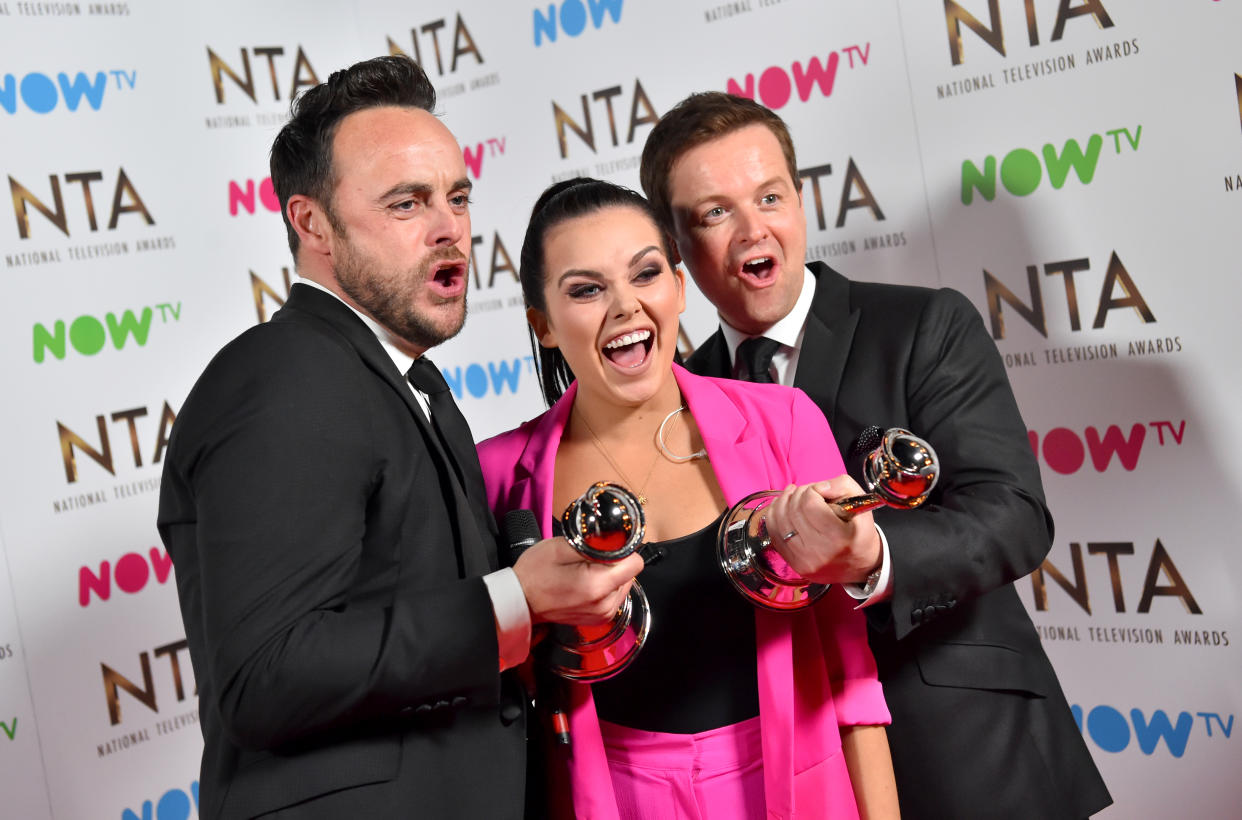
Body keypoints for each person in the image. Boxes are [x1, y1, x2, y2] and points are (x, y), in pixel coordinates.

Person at [156, 56, 642, 819]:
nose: (451, 229)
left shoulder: (407, 383)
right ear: (310, 222)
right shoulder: (284, 376)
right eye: (407, 203)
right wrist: (512, 600)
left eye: (457, 196)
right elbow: (265, 674)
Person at [639, 91, 1113, 819]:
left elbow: (1013, 513)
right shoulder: (679, 398)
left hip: (963, 748)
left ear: (799, 200)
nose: (751, 229)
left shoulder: (924, 325)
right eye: (713, 213)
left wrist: (871, 557)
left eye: (769, 196)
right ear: (674, 248)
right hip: (791, 768)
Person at [477, 177, 899, 820]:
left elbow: (850, 671)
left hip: (794, 786)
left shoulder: (783, 420)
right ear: (544, 324)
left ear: (677, 286)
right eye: (587, 290)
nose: (625, 307)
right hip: (611, 798)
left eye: (645, 274)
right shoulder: (501, 471)